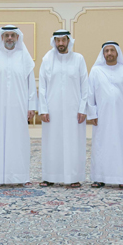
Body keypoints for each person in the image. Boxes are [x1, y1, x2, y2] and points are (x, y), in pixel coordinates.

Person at [0, 25, 37, 186]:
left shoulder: (24, 57)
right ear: (2, 37)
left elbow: (31, 84)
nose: (10, 38)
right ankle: (0, 177)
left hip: (19, 107)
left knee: (20, 141)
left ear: (17, 37)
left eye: (12, 35)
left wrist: (31, 106)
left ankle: (21, 176)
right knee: (0, 141)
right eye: (7, 35)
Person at [39, 30, 89, 188]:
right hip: (52, 110)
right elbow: (42, 86)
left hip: (73, 110)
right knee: (51, 143)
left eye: (63, 40)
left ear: (69, 41)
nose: (60, 43)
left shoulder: (78, 59)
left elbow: (85, 86)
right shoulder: (47, 59)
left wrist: (83, 108)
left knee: (73, 143)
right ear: (54, 42)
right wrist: (43, 109)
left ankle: (73, 177)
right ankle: (50, 176)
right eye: (58, 40)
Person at [87, 42, 123, 189]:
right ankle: (99, 178)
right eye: (106, 51)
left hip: (122, 117)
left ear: (117, 53)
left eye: (112, 50)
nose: (109, 53)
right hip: (101, 117)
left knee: (121, 146)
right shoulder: (96, 71)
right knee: (100, 146)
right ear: (103, 54)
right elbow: (90, 94)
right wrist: (92, 113)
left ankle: (121, 178)